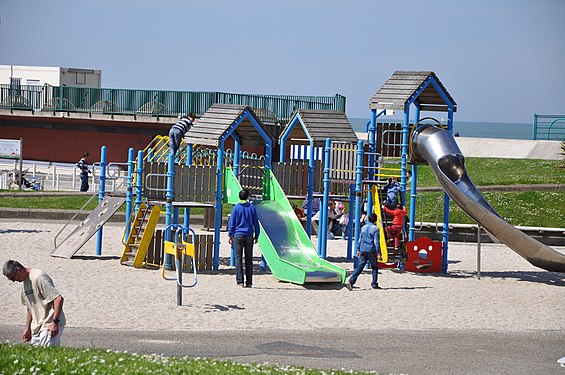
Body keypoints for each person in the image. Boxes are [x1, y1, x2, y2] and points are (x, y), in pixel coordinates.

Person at [3, 260, 65, 346]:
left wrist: (55, 322)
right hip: (36, 327)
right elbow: (30, 307)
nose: (13, 281)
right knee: (37, 356)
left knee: (48, 356)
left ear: (18, 270)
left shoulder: (39, 276)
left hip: (49, 323)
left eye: (13, 277)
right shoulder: (23, 283)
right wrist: (27, 328)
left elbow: (58, 298)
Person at [228, 188, 260, 288]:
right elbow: (256, 222)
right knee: (249, 259)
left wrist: (230, 234)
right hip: (249, 234)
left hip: (238, 234)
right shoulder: (252, 208)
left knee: (238, 258)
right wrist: (257, 235)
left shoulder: (236, 208)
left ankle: (240, 281)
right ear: (247, 197)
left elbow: (232, 222)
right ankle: (249, 282)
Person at [346, 213, 382, 290]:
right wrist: (378, 252)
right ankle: (374, 283)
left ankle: (351, 281)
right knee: (375, 267)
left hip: (363, 249)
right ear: (375, 220)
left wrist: (358, 249)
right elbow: (376, 242)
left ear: (368, 219)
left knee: (360, 267)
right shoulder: (375, 229)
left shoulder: (363, 228)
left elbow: (360, 239)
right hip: (371, 250)